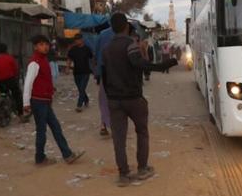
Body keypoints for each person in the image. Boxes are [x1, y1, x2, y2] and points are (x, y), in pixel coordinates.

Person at [102, 13, 178, 187]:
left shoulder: (106, 49)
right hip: (133, 98)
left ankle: (123, 175)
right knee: (142, 132)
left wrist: (110, 96)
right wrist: (165, 65)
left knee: (118, 139)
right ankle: (142, 168)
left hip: (114, 100)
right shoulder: (131, 45)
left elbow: (103, 75)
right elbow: (140, 64)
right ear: (126, 27)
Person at [23, 34, 85, 165]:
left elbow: (44, 79)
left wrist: (50, 89)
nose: (44, 47)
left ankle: (67, 154)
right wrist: (26, 103)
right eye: (41, 44)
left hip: (45, 100)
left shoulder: (44, 60)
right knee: (42, 130)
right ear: (35, 47)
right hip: (38, 101)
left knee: (55, 127)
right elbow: (28, 83)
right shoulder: (35, 62)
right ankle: (40, 158)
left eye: (46, 44)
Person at [93, 24, 115, 137]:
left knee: (104, 99)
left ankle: (104, 124)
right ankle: (115, 125)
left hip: (104, 71)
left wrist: (97, 72)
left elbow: (96, 54)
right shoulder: (123, 35)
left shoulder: (102, 35)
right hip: (120, 72)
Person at [0, 43, 23, 120]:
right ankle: (20, 113)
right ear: (6, 50)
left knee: (3, 95)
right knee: (17, 95)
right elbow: (15, 70)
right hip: (10, 81)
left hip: (0, 82)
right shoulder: (10, 58)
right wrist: (15, 77)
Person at [66, 34, 93, 112]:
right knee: (80, 89)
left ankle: (79, 105)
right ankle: (86, 99)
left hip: (86, 72)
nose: (77, 41)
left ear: (82, 39)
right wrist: (67, 68)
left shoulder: (87, 49)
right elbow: (69, 59)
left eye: (78, 39)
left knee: (82, 88)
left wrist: (95, 70)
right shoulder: (73, 49)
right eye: (76, 40)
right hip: (76, 73)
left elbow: (92, 59)